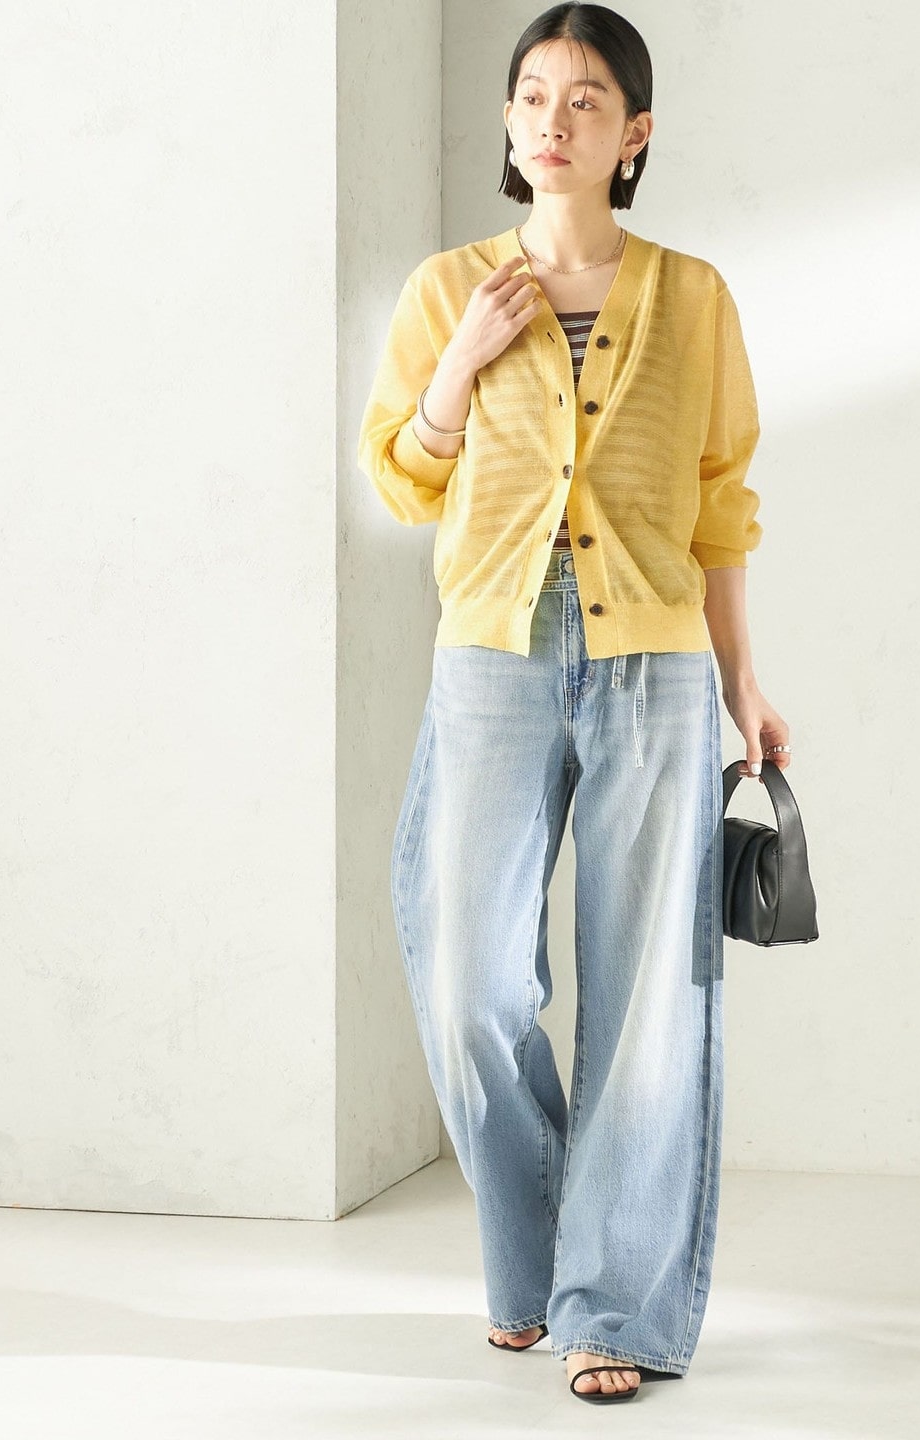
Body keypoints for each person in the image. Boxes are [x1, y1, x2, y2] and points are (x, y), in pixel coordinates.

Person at [357, 1, 791, 1408]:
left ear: (635, 134)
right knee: (469, 979)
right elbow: (400, 479)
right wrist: (459, 368)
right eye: (534, 94)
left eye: (587, 99)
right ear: (509, 120)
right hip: (491, 657)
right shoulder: (449, 289)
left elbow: (720, 504)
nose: (554, 118)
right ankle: (538, 1258)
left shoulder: (694, 296)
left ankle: (613, 1307)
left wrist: (742, 680)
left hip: (656, 667)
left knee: (648, 996)